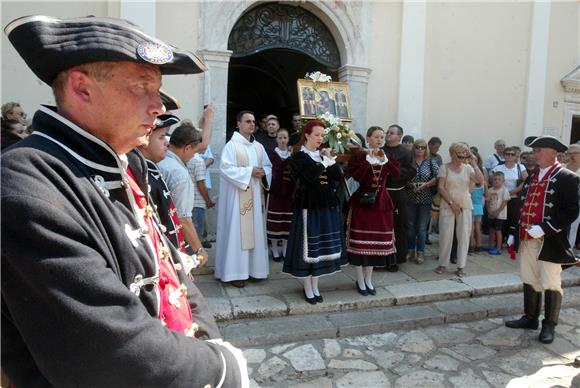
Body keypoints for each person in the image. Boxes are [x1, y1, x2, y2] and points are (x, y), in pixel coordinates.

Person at [1, 15, 247, 387]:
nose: (159, 106)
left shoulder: (129, 161)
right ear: (82, 88)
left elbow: (173, 272)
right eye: (142, 87)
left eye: (158, 89)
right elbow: (108, 352)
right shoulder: (26, 181)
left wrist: (208, 341)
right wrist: (223, 369)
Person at [505, 136, 580, 344]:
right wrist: (513, 230)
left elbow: (572, 211)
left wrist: (545, 228)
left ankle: (549, 324)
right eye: (534, 150)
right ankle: (530, 318)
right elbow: (522, 205)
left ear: (552, 152)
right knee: (529, 277)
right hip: (527, 238)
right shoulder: (531, 176)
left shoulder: (567, 177)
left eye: (538, 150)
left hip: (551, 240)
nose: (534, 154)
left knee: (551, 282)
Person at [283, 119, 347, 304]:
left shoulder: (321, 155)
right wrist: (324, 163)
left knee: (320, 249)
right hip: (309, 206)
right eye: (317, 135)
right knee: (308, 247)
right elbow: (309, 177)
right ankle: (307, 287)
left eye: (322, 135)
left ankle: (315, 285)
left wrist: (330, 160)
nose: (320, 139)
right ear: (307, 135)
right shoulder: (298, 156)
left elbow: (338, 177)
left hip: (326, 204)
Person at [215, 110, 272, 288]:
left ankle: (255, 270)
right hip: (237, 199)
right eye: (247, 121)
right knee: (237, 234)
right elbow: (225, 169)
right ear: (238, 124)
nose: (252, 124)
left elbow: (268, 166)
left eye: (253, 121)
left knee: (255, 232)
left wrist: (263, 173)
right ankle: (235, 273)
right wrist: (249, 172)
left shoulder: (258, 147)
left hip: (256, 198)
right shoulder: (231, 146)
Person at [347, 126, 400, 295]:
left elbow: (397, 173)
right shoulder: (360, 156)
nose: (379, 140)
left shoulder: (387, 156)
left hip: (381, 204)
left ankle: (369, 279)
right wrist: (367, 162)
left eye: (382, 137)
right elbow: (355, 176)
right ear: (368, 139)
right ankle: (360, 280)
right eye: (376, 137)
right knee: (361, 243)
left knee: (374, 245)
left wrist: (386, 161)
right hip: (362, 203)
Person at [137, 112, 197, 256]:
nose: (167, 142)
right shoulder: (140, 173)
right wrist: (198, 249)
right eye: (161, 137)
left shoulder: (151, 170)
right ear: (144, 140)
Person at [435, 142, 484, 277]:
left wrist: (474, 163)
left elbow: (480, 181)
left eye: (464, 155)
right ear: (452, 154)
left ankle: (461, 266)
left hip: (464, 203)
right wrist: (451, 203)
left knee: (464, 235)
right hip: (448, 203)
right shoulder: (444, 167)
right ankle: (442, 264)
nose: (462, 158)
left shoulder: (468, 168)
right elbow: (441, 187)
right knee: (445, 235)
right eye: (459, 156)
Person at [158, 124, 207, 257]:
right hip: (171, 241)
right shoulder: (178, 173)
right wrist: (199, 250)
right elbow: (182, 218)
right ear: (187, 148)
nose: (193, 156)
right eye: (194, 152)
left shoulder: (158, 161)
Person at [382, 124, 416, 271]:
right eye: (387, 132)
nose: (388, 134)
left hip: (397, 193)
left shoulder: (405, 152)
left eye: (391, 133)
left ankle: (395, 259)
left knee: (397, 226)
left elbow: (411, 171)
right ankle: (380, 258)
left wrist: (394, 173)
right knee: (382, 226)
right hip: (382, 192)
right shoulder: (381, 150)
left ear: (399, 136)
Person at [405, 138, 439, 264]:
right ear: (414, 148)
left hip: (425, 199)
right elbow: (402, 175)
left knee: (422, 227)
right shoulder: (409, 161)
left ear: (426, 149)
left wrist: (426, 184)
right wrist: (411, 184)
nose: (420, 149)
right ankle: (410, 250)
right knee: (410, 226)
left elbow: (438, 176)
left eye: (423, 147)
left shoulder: (431, 162)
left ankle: (420, 252)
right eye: (417, 147)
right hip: (410, 197)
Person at [266, 128, 294, 262]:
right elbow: (278, 167)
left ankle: (286, 249)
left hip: (289, 194)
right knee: (275, 223)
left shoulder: (293, 155)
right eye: (280, 138)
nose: (283, 140)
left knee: (287, 223)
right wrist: (289, 157)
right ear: (276, 139)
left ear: (288, 139)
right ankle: (275, 250)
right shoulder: (271, 154)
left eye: (285, 138)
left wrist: (291, 157)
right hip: (276, 193)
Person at [491, 146, 528, 239]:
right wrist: (504, 193)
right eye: (507, 154)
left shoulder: (520, 167)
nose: (510, 156)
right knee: (500, 219)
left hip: (514, 196)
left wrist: (514, 191)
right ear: (504, 156)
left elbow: (526, 181)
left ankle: (510, 240)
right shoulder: (498, 167)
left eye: (512, 154)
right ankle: (499, 240)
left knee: (512, 218)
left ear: (516, 156)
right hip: (500, 197)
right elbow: (492, 181)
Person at [486, 172, 511, 255]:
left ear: (503, 181)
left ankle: (498, 248)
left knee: (498, 231)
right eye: (495, 179)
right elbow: (487, 202)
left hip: (500, 215)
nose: (496, 181)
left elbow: (504, 202)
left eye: (499, 179)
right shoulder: (490, 190)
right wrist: (489, 210)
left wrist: (497, 212)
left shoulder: (504, 190)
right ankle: (491, 246)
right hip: (491, 214)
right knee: (491, 230)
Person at [469, 149, 487, 253]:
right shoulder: (483, 182)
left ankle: (471, 245)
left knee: (471, 227)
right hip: (479, 206)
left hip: (471, 205)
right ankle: (478, 245)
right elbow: (486, 194)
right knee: (478, 227)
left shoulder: (471, 179)